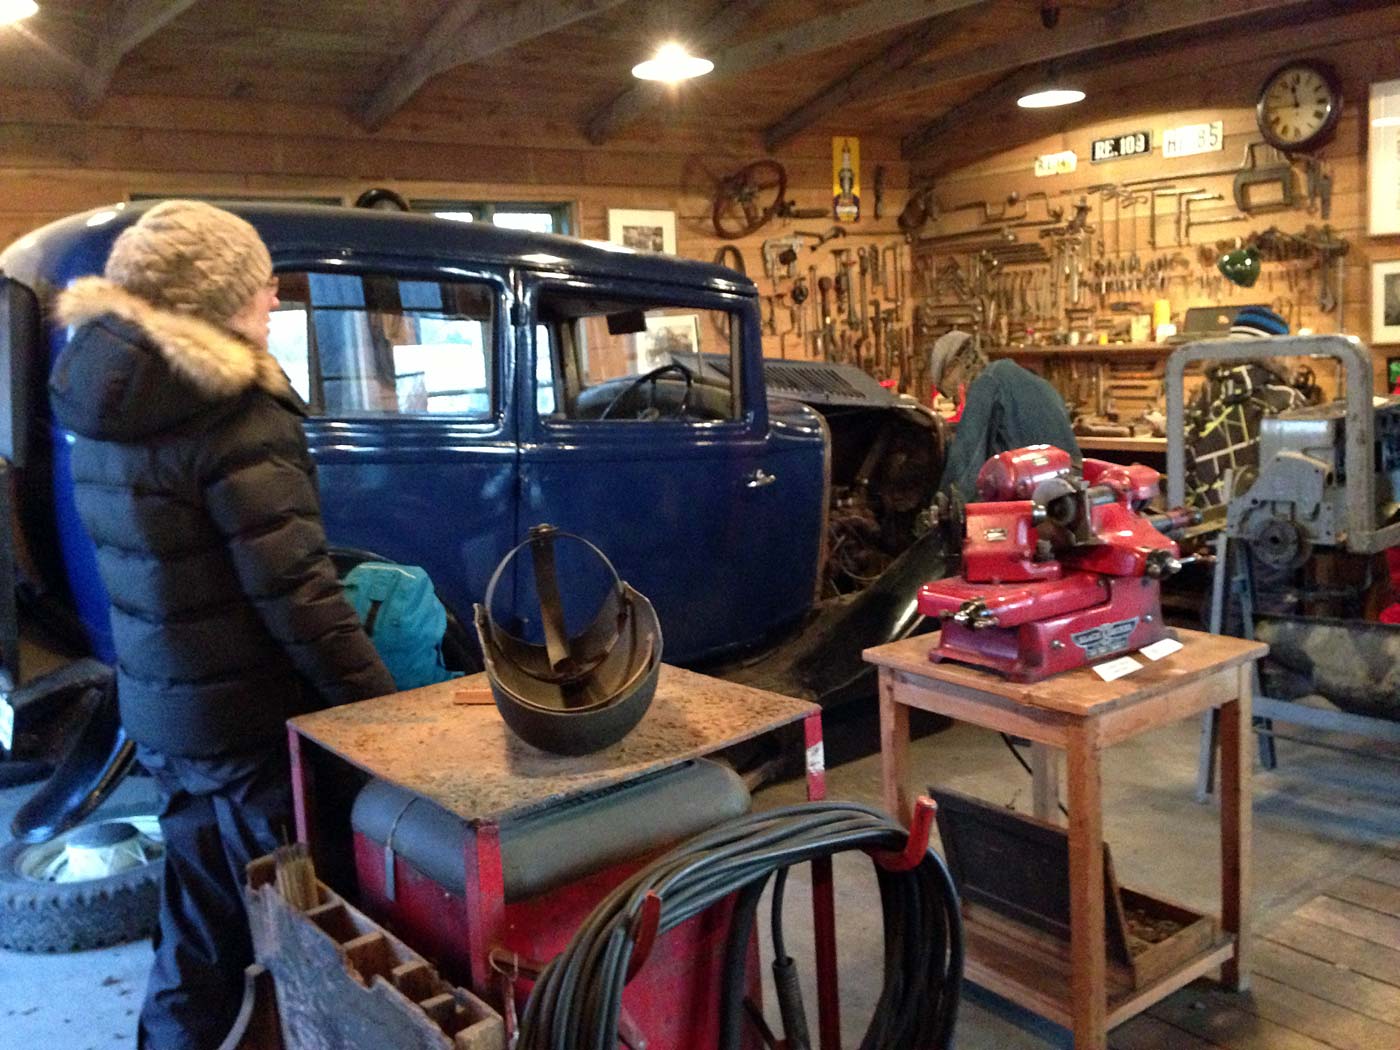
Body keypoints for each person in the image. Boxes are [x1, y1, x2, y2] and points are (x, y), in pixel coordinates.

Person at [48, 200, 396, 1050]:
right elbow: (301, 596)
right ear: (218, 298)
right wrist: (380, 718)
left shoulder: (105, 397)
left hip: (169, 717)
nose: (275, 299)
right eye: (261, 284)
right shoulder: (233, 406)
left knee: (200, 922)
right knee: (318, 935)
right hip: (252, 732)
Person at [930, 330, 1081, 502]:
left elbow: (966, 461)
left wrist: (942, 503)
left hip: (1037, 490)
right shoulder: (1032, 381)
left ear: (953, 367)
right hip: (1072, 486)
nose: (955, 402)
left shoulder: (988, 381)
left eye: (946, 391)